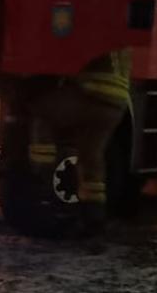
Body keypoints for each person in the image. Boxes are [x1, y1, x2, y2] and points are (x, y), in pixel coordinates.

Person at [27, 49, 130, 213]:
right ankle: (94, 212)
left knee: (42, 112)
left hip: (91, 92)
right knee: (91, 154)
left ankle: (43, 178)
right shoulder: (120, 38)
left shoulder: (95, 29)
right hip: (117, 104)